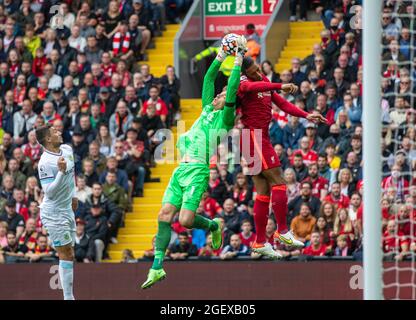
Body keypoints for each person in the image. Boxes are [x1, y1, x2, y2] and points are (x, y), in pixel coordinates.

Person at [141, 36, 247, 289]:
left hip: (198, 169)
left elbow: (231, 90)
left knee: (186, 221)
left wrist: (239, 58)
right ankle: (157, 267)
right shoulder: (207, 108)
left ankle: (212, 225)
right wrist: (221, 54)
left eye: (222, 95)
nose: (219, 94)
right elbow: (210, 79)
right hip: (181, 169)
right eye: (218, 94)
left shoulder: (226, 119)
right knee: (164, 214)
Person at [237, 56, 327, 259]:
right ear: (245, 72)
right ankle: (282, 230)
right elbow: (251, 89)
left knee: (262, 191)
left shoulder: (264, 83)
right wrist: (281, 85)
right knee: (279, 180)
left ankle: (260, 241)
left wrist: (307, 115)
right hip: (253, 137)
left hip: (259, 137)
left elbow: (283, 104)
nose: (258, 70)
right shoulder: (243, 83)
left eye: (259, 67)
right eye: (254, 68)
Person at [35, 123, 77, 300]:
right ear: (48, 139)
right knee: (65, 253)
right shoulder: (44, 162)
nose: (59, 132)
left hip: (67, 207)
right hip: (53, 212)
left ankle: (68, 296)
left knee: (70, 253)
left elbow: (73, 173)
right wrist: (60, 172)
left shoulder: (67, 149)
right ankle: (68, 297)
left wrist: (73, 195)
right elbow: (49, 192)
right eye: (54, 132)